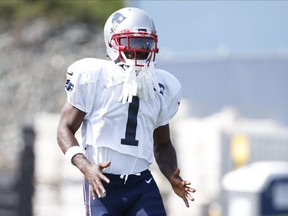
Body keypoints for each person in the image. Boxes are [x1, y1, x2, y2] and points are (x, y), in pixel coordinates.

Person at [57, 7, 196, 216]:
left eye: (145, 43)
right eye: (133, 42)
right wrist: (85, 166)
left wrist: (171, 174)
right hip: (102, 183)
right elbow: (64, 129)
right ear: (113, 43)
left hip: (141, 184)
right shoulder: (94, 77)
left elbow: (163, 143)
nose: (141, 49)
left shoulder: (160, 85)